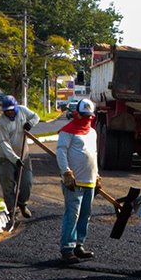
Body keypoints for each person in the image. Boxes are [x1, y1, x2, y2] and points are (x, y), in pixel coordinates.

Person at [57, 97, 99, 265]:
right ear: (77, 115)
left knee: (85, 215)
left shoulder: (93, 132)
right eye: (84, 116)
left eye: (89, 116)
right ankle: (67, 247)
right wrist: (66, 172)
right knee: (72, 214)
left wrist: (97, 175)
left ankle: (79, 245)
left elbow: (94, 154)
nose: (87, 119)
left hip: (90, 181)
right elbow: (61, 152)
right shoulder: (67, 131)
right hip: (74, 181)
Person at [0, 94, 40, 220]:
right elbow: (4, 143)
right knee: (8, 184)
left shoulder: (22, 110)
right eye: (6, 111)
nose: (9, 112)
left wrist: (30, 123)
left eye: (11, 109)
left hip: (24, 155)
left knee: (27, 182)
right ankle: (12, 209)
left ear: (15, 107)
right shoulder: (1, 122)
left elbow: (36, 116)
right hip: (5, 158)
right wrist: (15, 159)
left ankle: (22, 203)